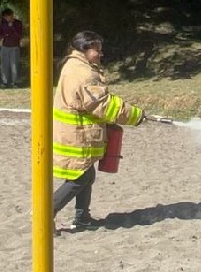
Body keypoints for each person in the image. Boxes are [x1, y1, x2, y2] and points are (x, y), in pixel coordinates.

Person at [52, 30, 146, 233]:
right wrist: (134, 115)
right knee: (80, 178)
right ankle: (46, 213)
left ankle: (82, 218)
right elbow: (102, 104)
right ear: (84, 48)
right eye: (97, 49)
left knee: (86, 174)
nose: (101, 54)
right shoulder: (82, 73)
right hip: (78, 134)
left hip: (77, 132)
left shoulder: (77, 66)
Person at [0, 8, 24, 87]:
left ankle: (14, 82)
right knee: (4, 65)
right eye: (5, 17)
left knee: (14, 65)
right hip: (5, 46)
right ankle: (4, 82)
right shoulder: (3, 23)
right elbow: (0, 34)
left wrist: (12, 27)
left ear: (12, 15)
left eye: (8, 16)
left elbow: (19, 35)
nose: (7, 18)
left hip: (15, 47)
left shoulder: (18, 23)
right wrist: (4, 35)